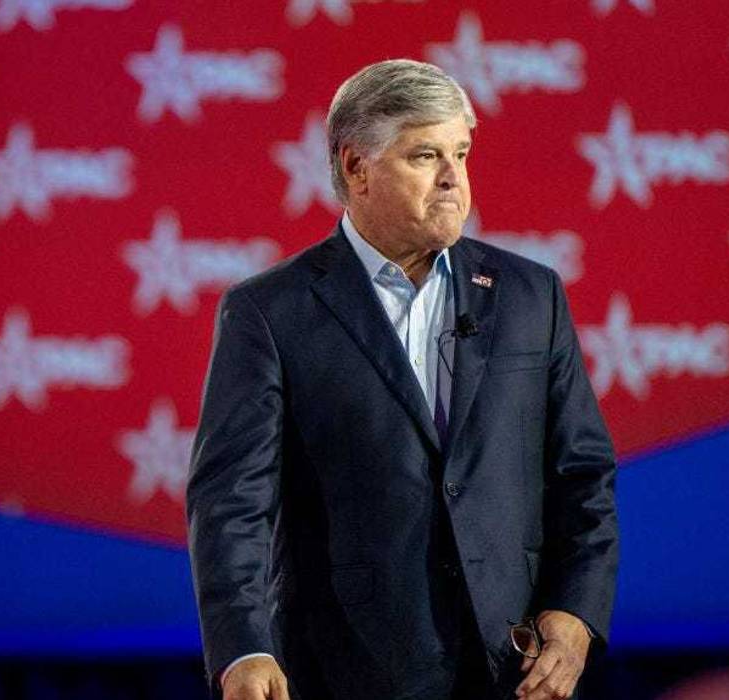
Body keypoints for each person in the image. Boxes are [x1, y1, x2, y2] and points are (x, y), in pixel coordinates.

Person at [186, 59, 618, 700]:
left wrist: (577, 613)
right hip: (345, 666)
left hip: (514, 666)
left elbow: (582, 474)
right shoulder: (271, 311)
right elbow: (232, 503)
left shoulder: (531, 295)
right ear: (356, 167)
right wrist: (244, 647)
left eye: (461, 154)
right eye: (425, 156)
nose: (453, 179)